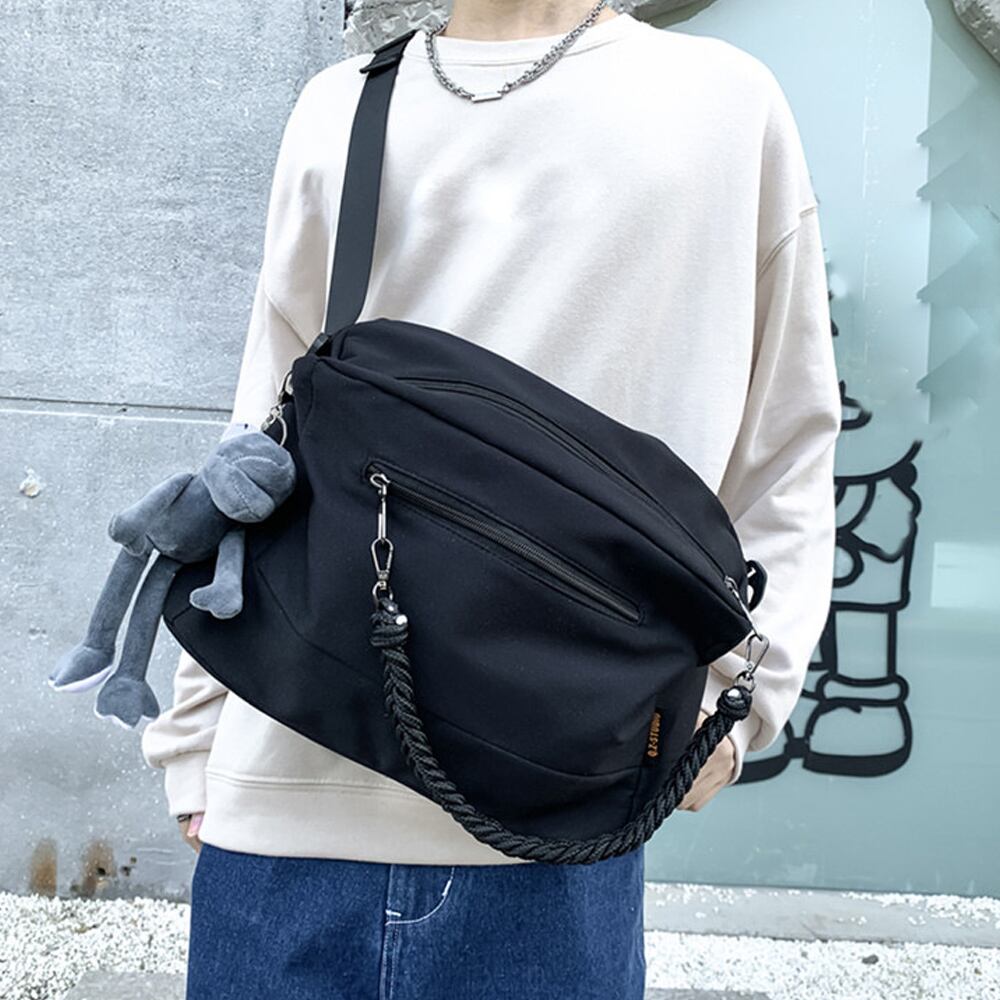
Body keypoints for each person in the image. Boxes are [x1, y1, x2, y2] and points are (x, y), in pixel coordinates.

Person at [140, 1, 841, 997]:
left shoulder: (725, 104)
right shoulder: (344, 104)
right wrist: (197, 728)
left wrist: (741, 703)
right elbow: (262, 440)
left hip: (555, 818)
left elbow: (787, 440)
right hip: (290, 790)